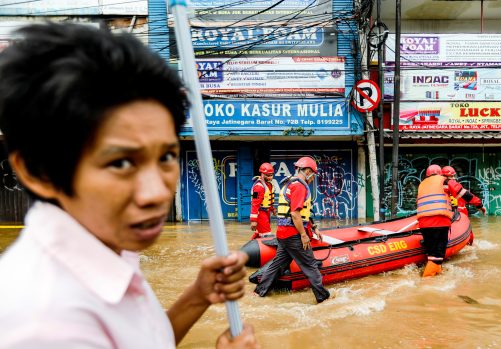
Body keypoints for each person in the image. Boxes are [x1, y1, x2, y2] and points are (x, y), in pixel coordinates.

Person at [0, 23, 259, 348]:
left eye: (166, 156)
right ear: (38, 172)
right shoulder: (45, 324)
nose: (156, 193)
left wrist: (197, 297)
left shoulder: (109, 248)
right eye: (121, 163)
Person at [253, 156, 330, 303]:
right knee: (311, 266)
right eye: (313, 174)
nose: (313, 178)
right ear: (307, 171)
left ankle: (259, 292)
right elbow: (295, 213)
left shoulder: (289, 183)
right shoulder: (300, 186)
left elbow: (302, 212)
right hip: (294, 235)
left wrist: (313, 227)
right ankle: (323, 297)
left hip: (283, 234)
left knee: (278, 264)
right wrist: (303, 235)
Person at [416, 164, 482, 278]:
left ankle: (435, 272)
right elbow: (464, 194)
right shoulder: (444, 181)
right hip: (440, 221)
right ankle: (428, 280)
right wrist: (479, 205)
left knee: (432, 252)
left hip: (423, 223)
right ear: (440, 173)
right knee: (438, 254)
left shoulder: (422, 185)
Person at [250, 162, 275, 239]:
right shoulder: (258, 187)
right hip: (260, 213)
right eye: (268, 175)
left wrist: (272, 209)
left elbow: (268, 200)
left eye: (271, 175)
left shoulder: (269, 185)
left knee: (259, 233)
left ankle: (249, 249)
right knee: (267, 234)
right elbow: (255, 204)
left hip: (266, 212)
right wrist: (253, 220)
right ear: (262, 174)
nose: (270, 177)